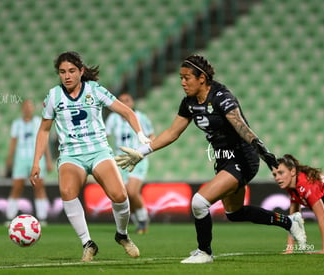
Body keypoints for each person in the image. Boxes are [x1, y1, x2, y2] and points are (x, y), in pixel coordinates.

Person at [115, 54, 307, 264]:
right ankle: (289, 222)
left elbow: (241, 127)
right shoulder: (189, 102)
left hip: (242, 158)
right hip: (224, 159)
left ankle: (204, 252)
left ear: (202, 78)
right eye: (181, 77)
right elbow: (172, 132)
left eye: (187, 77)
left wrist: (264, 153)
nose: (182, 82)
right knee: (234, 213)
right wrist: (142, 151)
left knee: (199, 202)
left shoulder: (221, 96)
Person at [30, 51, 150, 262]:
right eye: (62, 72)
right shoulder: (53, 96)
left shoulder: (94, 90)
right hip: (71, 154)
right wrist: (36, 161)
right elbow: (44, 130)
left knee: (120, 195)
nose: (67, 76)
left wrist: (141, 135)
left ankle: (122, 234)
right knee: (67, 191)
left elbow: (127, 112)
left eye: (71, 71)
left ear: (81, 71)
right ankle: (88, 243)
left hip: (98, 151)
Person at [273, 154, 324, 254]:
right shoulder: (292, 187)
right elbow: (293, 220)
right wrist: (289, 249)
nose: (277, 178)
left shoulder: (307, 185)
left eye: (281, 173)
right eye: (275, 174)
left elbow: (323, 218)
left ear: (292, 171)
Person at [106, 92, 155, 234]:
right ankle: (138, 220)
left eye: (127, 100)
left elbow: (151, 135)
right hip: (121, 161)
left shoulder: (141, 117)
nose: (124, 103)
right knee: (125, 194)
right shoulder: (113, 118)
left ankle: (143, 218)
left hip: (138, 159)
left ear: (132, 102)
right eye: (120, 101)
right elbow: (105, 135)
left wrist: (147, 148)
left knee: (132, 192)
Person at [5, 99, 53, 225]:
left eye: (30, 106)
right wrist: (10, 158)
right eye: (26, 106)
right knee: (17, 187)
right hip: (20, 159)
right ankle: (10, 217)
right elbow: (13, 142)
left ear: (33, 109)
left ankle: (42, 218)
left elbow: (44, 143)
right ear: (22, 109)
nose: (28, 109)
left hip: (36, 158)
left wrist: (48, 160)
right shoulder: (16, 124)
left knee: (39, 186)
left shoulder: (38, 122)